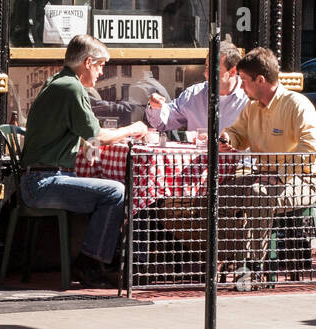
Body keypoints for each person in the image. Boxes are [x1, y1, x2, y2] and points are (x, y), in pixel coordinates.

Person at [20, 34, 148, 288]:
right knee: (115, 192)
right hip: (42, 183)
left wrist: (87, 148)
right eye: (101, 65)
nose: (101, 72)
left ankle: (104, 260)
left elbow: (72, 133)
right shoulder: (72, 87)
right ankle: (90, 264)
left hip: (39, 178)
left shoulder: (59, 82)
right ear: (88, 62)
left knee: (108, 188)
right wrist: (133, 128)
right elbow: (99, 134)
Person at [218, 47, 316, 276]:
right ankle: (231, 258)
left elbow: (312, 148)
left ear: (260, 80)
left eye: (244, 80)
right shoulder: (252, 107)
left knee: (259, 193)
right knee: (220, 195)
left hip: (302, 181)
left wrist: (280, 174)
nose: (242, 86)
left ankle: (253, 266)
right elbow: (238, 133)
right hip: (264, 175)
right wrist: (227, 138)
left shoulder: (297, 104)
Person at [146, 40, 247, 133]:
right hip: (201, 152)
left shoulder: (249, 98)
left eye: (214, 69)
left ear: (233, 71)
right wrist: (156, 107)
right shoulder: (194, 94)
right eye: (207, 67)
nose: (206, 74)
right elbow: (164, 121)